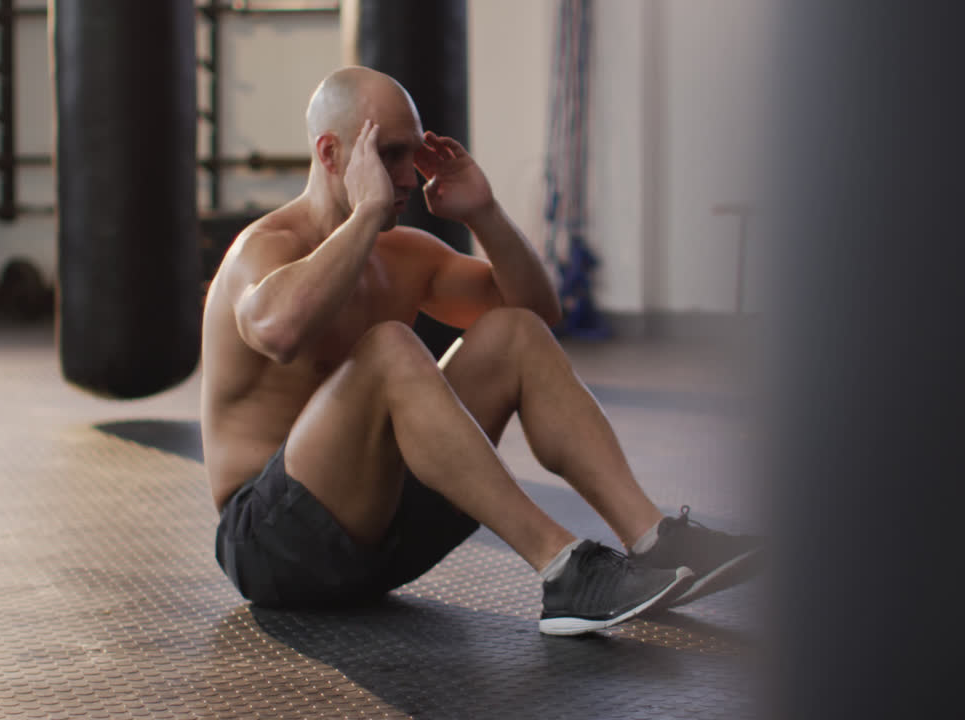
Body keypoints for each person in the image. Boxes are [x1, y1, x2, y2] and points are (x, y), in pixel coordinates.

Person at [201, 66, 758, 635]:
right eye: (390, 155)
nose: (405, 179)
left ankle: (652, 539)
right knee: (391, 347)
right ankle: (563, 568)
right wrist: (367, 213)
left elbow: (538, 317)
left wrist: (483, 214)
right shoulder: (265, 248)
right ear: (330, 153)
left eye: (412, 157)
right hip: (274, 548)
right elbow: (277, 332)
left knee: (510, 331)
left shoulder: (403, 254)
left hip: (384, 538)